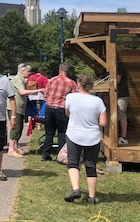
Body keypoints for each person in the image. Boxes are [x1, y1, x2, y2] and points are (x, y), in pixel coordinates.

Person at [63, 74, 107, 204]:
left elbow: (67, 113)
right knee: (91, 166)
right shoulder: (98, 101)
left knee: (73, 163)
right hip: (92, 137)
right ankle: (92, 197)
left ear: (79, 84)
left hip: (74, 135)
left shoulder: (71, 97)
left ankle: (76, 189)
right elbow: (103, 122)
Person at [7, 63, 43, 158]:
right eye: (28, 71)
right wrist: (38, 90)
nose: (29, 73)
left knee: (20, 127)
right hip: (15, 107)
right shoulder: (18, 79)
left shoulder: (22, 80)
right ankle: (11, 149)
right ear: (22, 71)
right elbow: (22, 92)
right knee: (15, 127)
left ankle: (15, 146)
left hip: (20, 106)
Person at [41, 63, 76, 162]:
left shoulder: (51, 80)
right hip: (61, 109)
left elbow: (46, 94)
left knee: (49, 133)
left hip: (49, 108)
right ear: (68, 71)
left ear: (60, 69)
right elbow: (74, 98)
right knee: (62, 133)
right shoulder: (72, 83)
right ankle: (59, 156)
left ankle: (45, 154)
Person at [116, 60, 129, 144]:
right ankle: (119, 136)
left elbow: (117, 80)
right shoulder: (117, 65)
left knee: (122, 115)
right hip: (119, 95)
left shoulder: (119, 65)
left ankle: (123, 137)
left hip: (122, 95)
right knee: (120, 115)